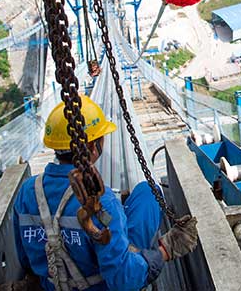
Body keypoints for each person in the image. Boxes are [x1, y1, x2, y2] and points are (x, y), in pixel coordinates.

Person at [13, 97, 198, 291]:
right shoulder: (101, 202)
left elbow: (25, 259)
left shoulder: (27, 191)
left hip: (53, 284)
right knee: (151, 192)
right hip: (103, 286)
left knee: (147, 192)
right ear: (93, 147)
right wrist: (164, 251)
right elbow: (124, 281)